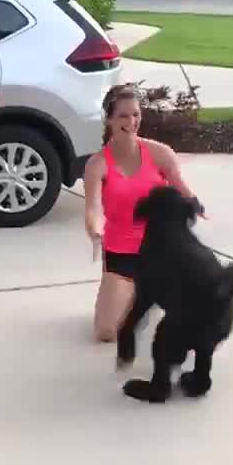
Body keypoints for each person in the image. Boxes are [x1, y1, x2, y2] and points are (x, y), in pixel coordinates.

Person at [83, 83, 203, 343]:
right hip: (121, 253)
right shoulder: (97, 164)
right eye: (124, 116)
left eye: (136, 114)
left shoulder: (161, 154)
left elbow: (183, 190)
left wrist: (195, 205)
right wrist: (95, 230)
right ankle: (135, 293)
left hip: (161, 250)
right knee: (107, 332)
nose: (132, 121)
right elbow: (92, 207)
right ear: (110, 120)